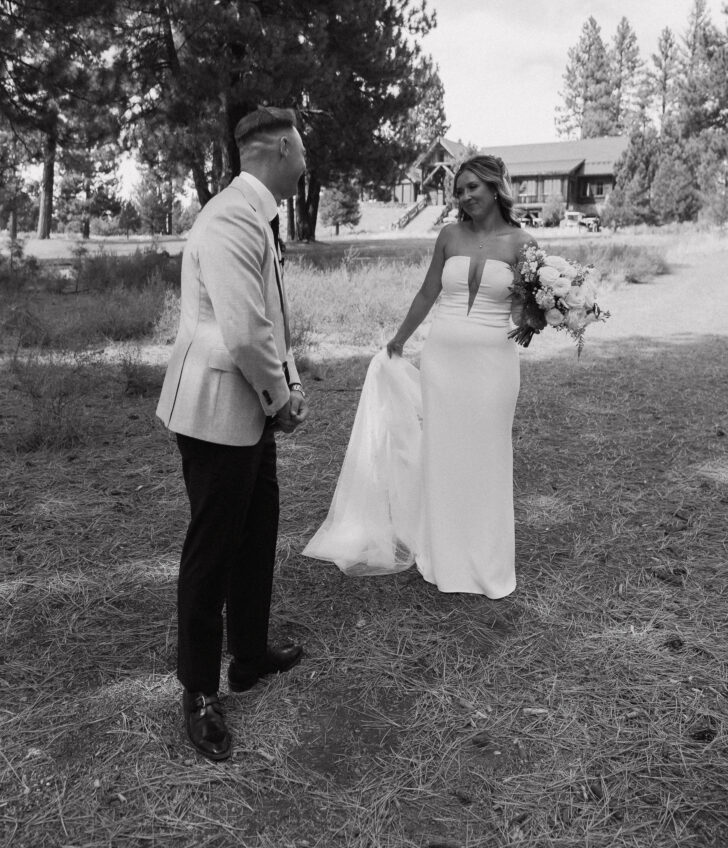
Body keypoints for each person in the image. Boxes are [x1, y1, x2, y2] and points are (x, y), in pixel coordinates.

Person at [303, 154, 533, 597]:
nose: (465, 196)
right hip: (443, 361)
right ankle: (446, 557)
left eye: (472, 188)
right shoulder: (449, 235)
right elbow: (429, 290)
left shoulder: (523, 242)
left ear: (494, 187)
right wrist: (399, 339)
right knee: (444, 454)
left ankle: (487, 562)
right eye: (459, 191)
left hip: (494, 365)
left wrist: (545, 314)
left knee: (487, 457)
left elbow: (523, 315)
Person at [156, 106, 310, 762]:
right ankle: (198, 692)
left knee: (258, 531)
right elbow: (243, 336)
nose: (308, 158)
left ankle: (247, 654)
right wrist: (280, 398)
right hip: (218, 412)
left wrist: (289, 385)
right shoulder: (227, 219)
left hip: (251, 410)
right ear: (280, 147)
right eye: (302, 146)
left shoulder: (258, 215)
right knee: (212, 551)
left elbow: (270, 318)